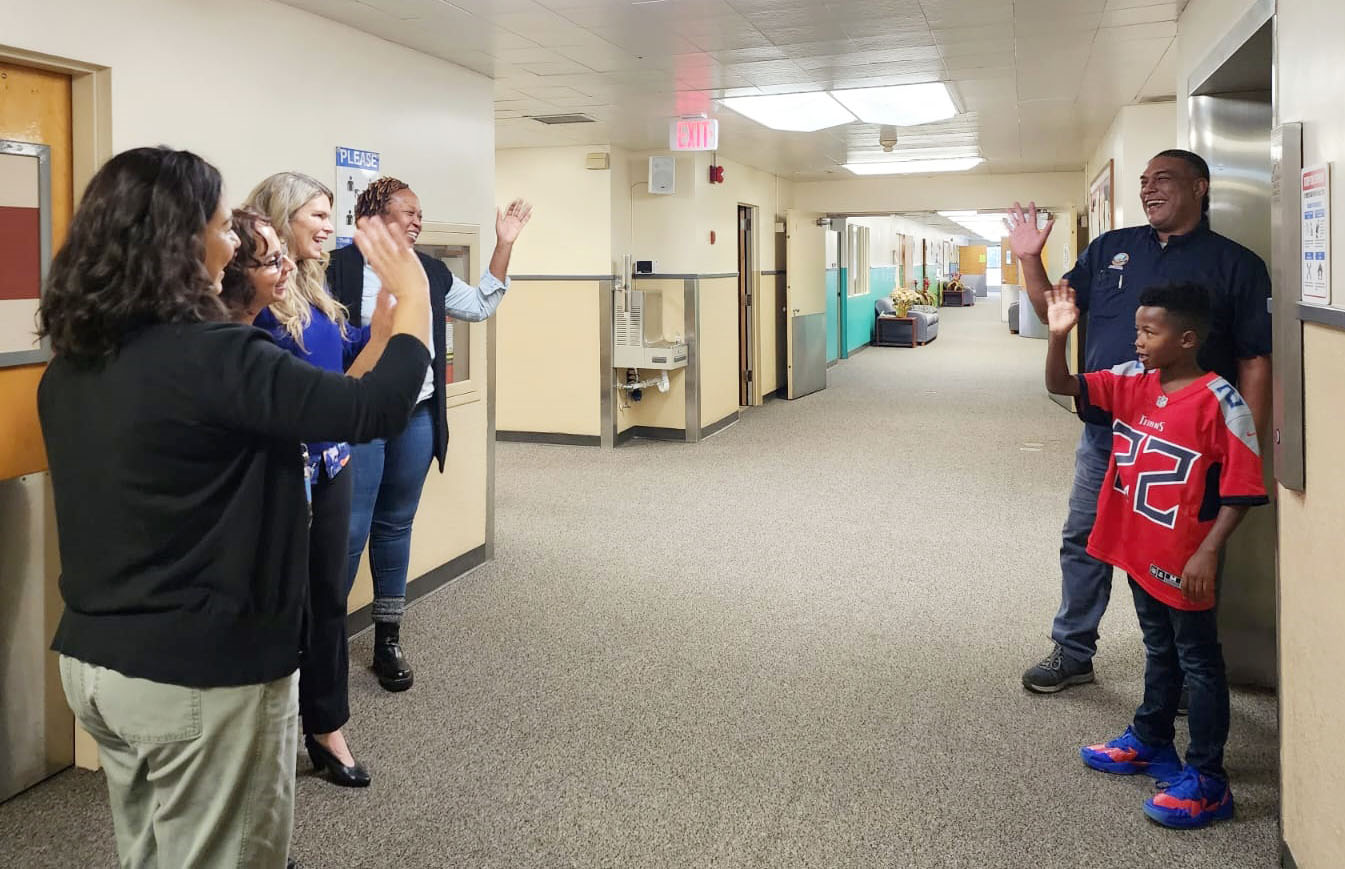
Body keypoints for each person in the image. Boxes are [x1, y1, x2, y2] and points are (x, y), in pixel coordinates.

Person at [37, 146, 431, 868]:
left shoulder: (73, 361)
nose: (233, 242)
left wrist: (377, 333)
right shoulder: (215, 356)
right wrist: (415, 299)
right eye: (222, 226)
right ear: (179, 242)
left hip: (100, 668)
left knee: (155, 851)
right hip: (196, 674)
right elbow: (371, 407)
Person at [1005, 149, 1272, 694]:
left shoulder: (1236, 264)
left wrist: (1249, 444)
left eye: (1164, 180)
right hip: (1108, 429)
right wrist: (1029, 259)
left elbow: (1254, 360)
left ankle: (1183, 673)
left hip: (1186, 445)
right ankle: (1073, 649)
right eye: (1144, 181)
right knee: (1084, 534)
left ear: (1200, 188)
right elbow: (1051, 309)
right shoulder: (1111, 249)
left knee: (1175, 555)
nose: (1149, 189)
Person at [1042, 280, 1267, 828]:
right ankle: (1151, 739)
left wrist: (1208, 553)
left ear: (1186, 338)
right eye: (1136, 329)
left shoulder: (1221, 402)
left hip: (1186, 558)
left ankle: (1209, 778)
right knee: (1157, 647)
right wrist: (1057, 339)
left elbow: (1242, 489)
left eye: (1150, 331)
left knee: (1198, 662)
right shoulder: (1130, 382)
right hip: (1139, 549)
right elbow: (1062, 384)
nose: (1137, 340)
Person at [328, 177, 532, 691]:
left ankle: (387, 640)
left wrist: (504, 243)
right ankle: (323, 640)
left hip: (416, 414)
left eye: (421, 213)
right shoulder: (337, 268)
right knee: (351, 529)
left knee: (396, 524)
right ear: (373, 217)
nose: (418, 220)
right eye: (407, 212)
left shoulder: (432, 271)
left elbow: (483, 304)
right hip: (360, 415)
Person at [243, 173, 387, 786]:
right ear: (282, 218)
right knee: (282, 607)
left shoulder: (315, 289)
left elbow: (343, 353)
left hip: (331, 466)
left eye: (331, 215)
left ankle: (327, 727)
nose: (329, 226)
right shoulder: (256, 304)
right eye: (318, 215)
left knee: (329, 598)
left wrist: (382, 328)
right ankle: (264, 743)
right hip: (282, 474)